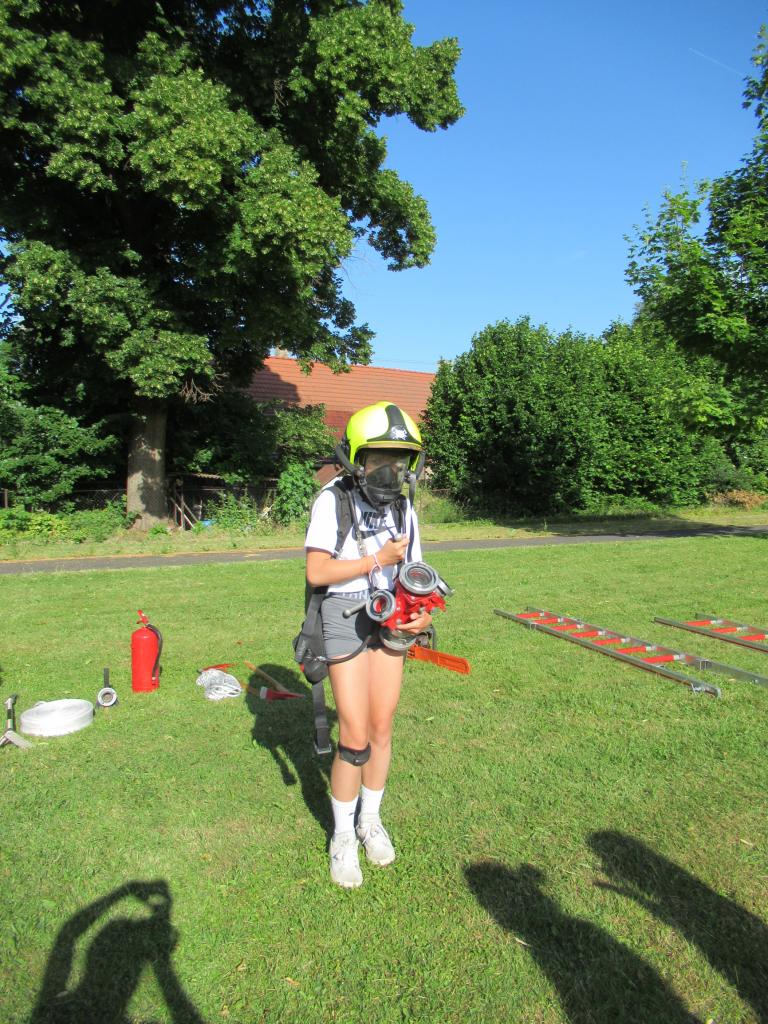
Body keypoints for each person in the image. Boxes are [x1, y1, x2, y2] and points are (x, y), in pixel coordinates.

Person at [304, 401, 432, 888]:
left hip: (389, 612)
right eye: (379, 458)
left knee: (381, 726)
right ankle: (342, 836)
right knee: (354, 734)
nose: (390, 470)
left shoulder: (404, 507)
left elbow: (414, 571)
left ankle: (370, 821)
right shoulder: (332, 500)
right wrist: (375, 558)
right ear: (355, 458)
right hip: (343, 613)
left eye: (399, 460)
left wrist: (420, 610)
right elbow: (318, 571)